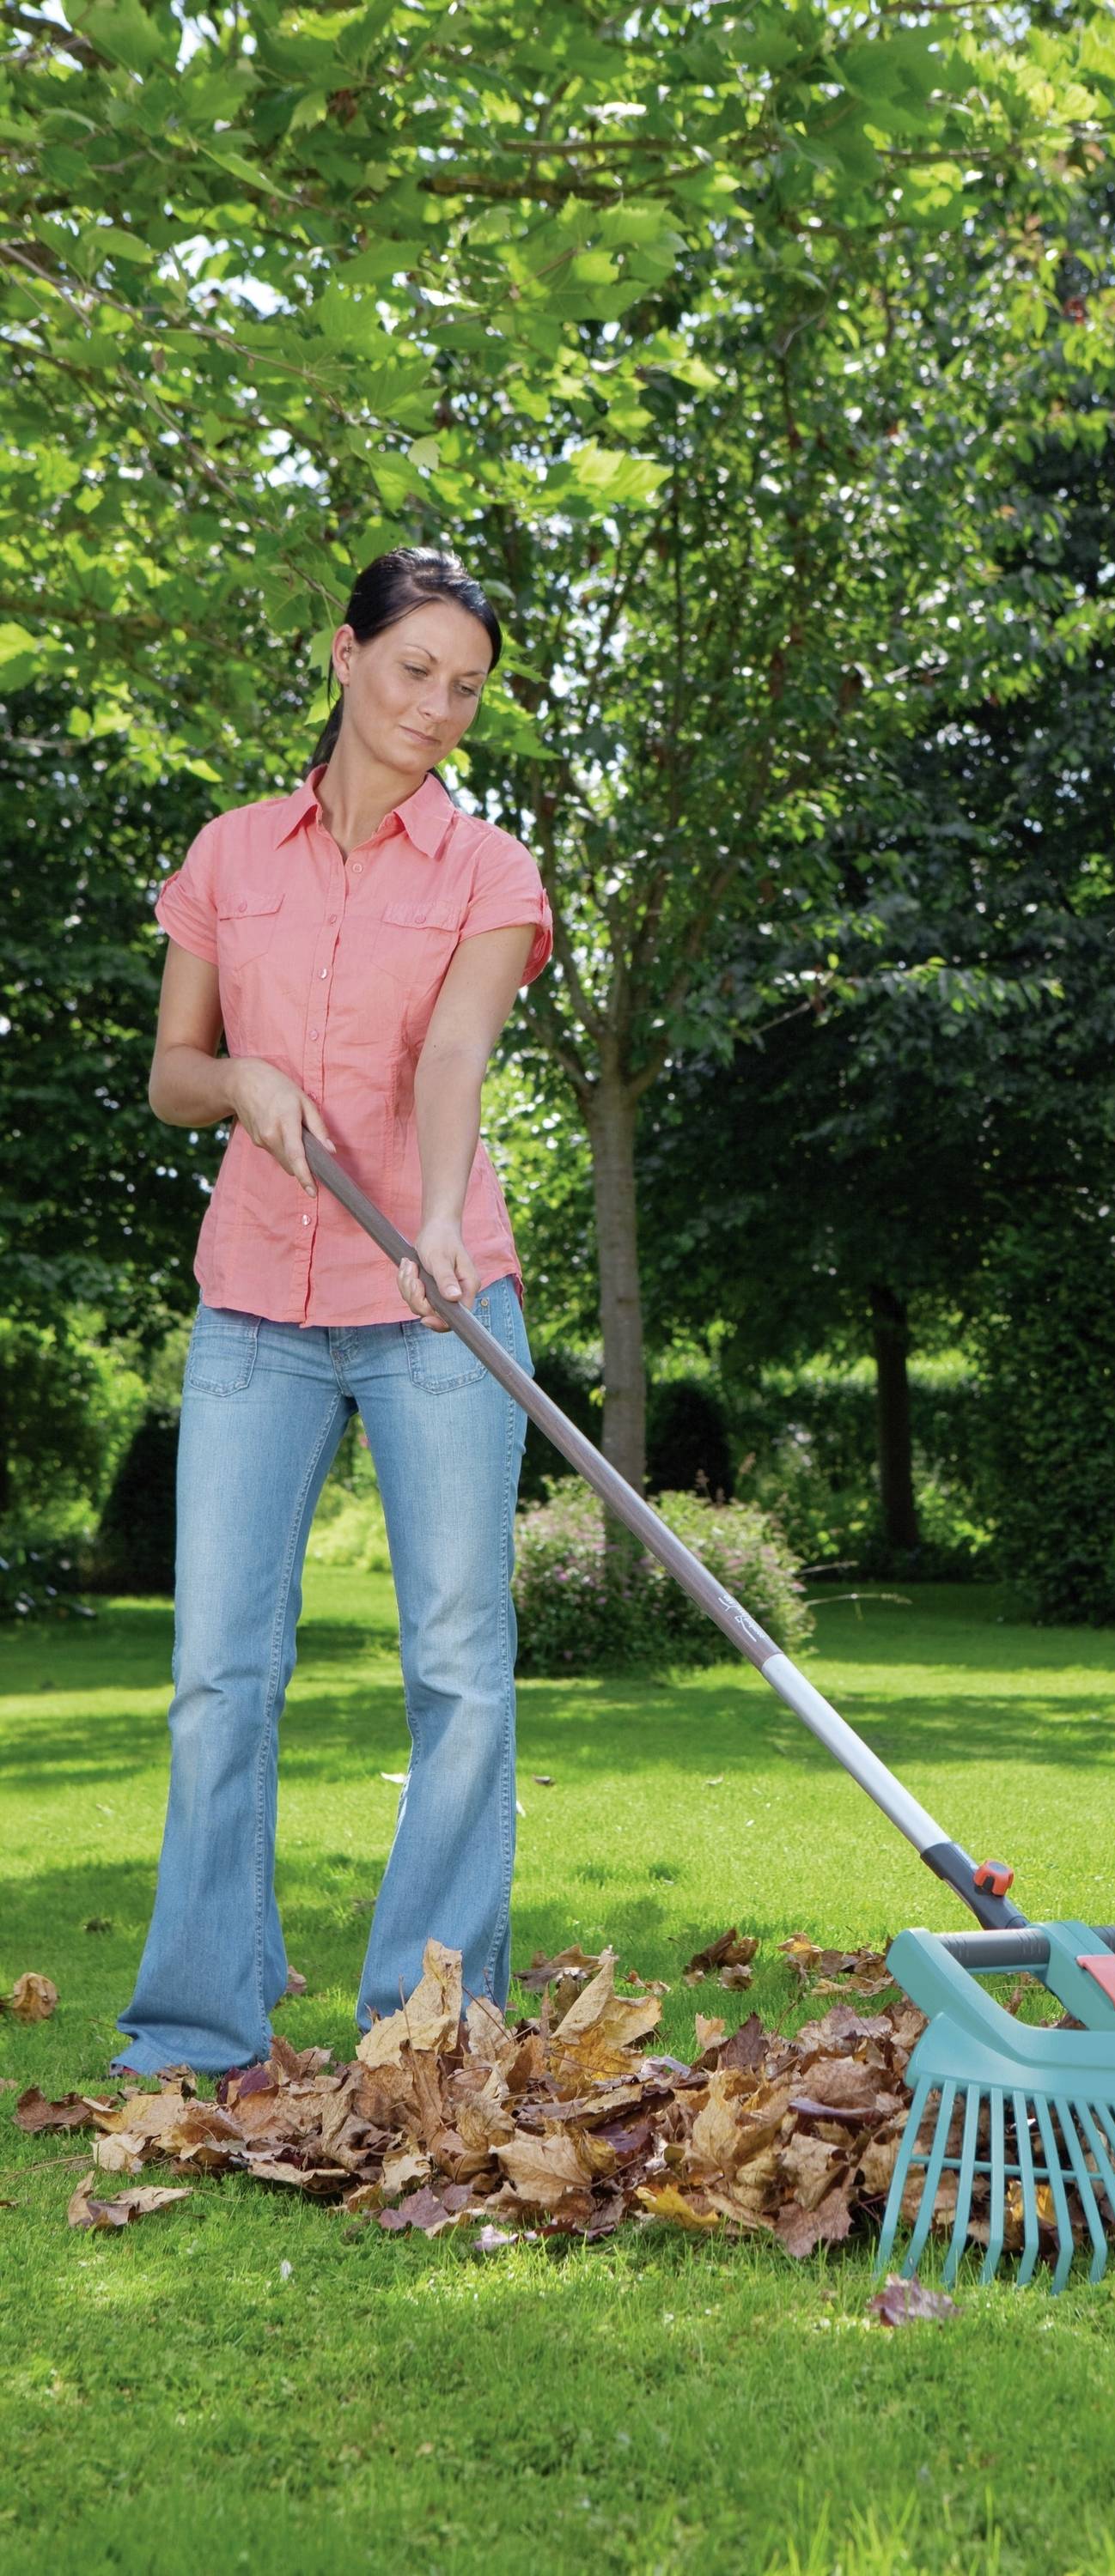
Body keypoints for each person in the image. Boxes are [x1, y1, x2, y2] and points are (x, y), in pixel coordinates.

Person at [113, 545, 553, 2077]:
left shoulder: (490, 873)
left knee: (456, 1665)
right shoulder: (232, 857)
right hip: (254, 1305)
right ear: (347, 656)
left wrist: (434, 1220)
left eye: (468, 689)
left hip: (440, 1307)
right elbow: (176, 1071)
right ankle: (194, 2025)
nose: (440, 707)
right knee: (219, 1672)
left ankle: (426, 2025)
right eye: (417, 668)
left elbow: (451, 1061)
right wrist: (241, 1077)